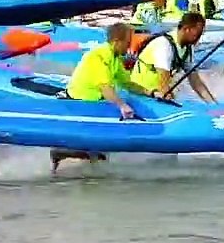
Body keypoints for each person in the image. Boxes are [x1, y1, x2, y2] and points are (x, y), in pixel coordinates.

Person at [57, 23, 160, 172]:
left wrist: (151, 92)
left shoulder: (115, 58)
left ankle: (87, 172)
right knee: (99, 152)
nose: (129, 47)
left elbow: (128, 84)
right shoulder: (99, 56)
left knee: (100, 152)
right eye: (127, 42)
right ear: (117, 41)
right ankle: (63, 155)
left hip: (95, 105)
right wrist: (122, 106)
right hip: (78, 104)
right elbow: (105, 88)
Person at [130, 12, 217, 102]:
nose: (199, 38)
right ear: (187, 29)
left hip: (157, 95)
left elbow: (196, 81)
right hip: (141, 95)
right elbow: (163, 84)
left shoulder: (188, 48)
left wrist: (213, 104)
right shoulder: (164, 44)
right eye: (197, 34)